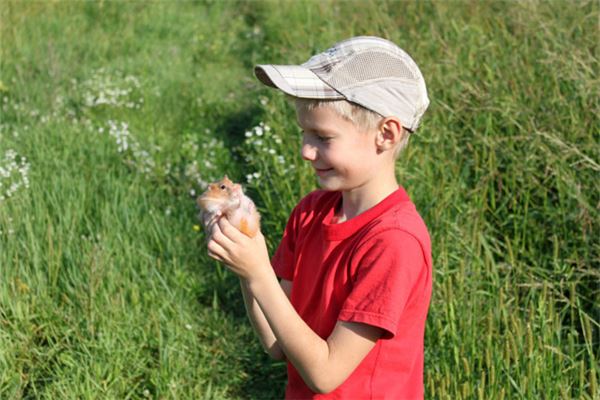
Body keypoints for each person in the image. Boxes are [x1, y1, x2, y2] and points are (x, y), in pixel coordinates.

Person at [206, 36, 432, 399]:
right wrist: (248, 259)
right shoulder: (311, 212)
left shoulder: (394, 241)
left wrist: (259, 273)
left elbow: (326, 374)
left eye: (323, 137)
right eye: (304, 133)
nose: (306, 151)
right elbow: (278, 345)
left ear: (385, 135)